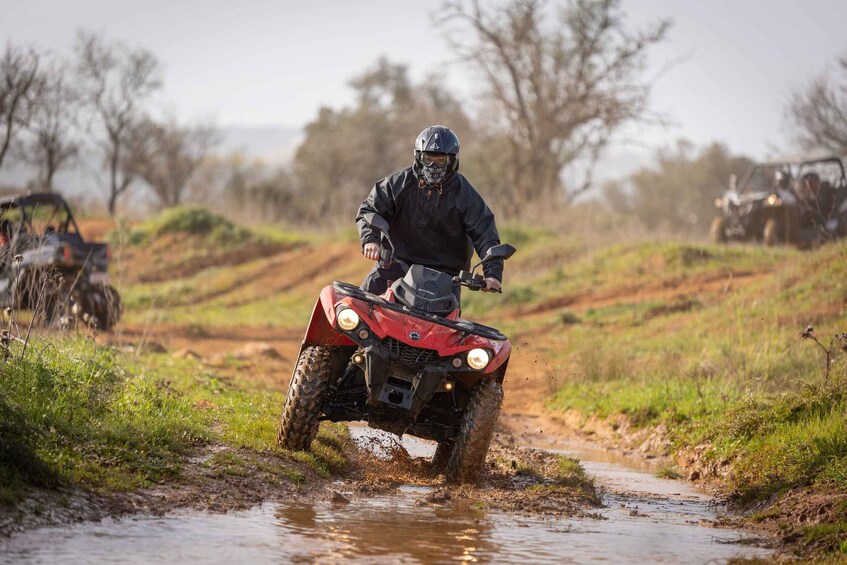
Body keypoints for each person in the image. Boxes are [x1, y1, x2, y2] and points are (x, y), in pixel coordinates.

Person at [356, 125, 503, 301]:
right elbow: (370, 209)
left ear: (452, 160)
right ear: (418, 157)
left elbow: (485, 233)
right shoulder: (398, 183)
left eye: (440, 160)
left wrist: (492, 274)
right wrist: (370, 240)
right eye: (428, 159)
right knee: (356, 307)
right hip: (395, 266)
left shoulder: (465, 194)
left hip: (444, 278)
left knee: (447, 327)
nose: (433, 166)